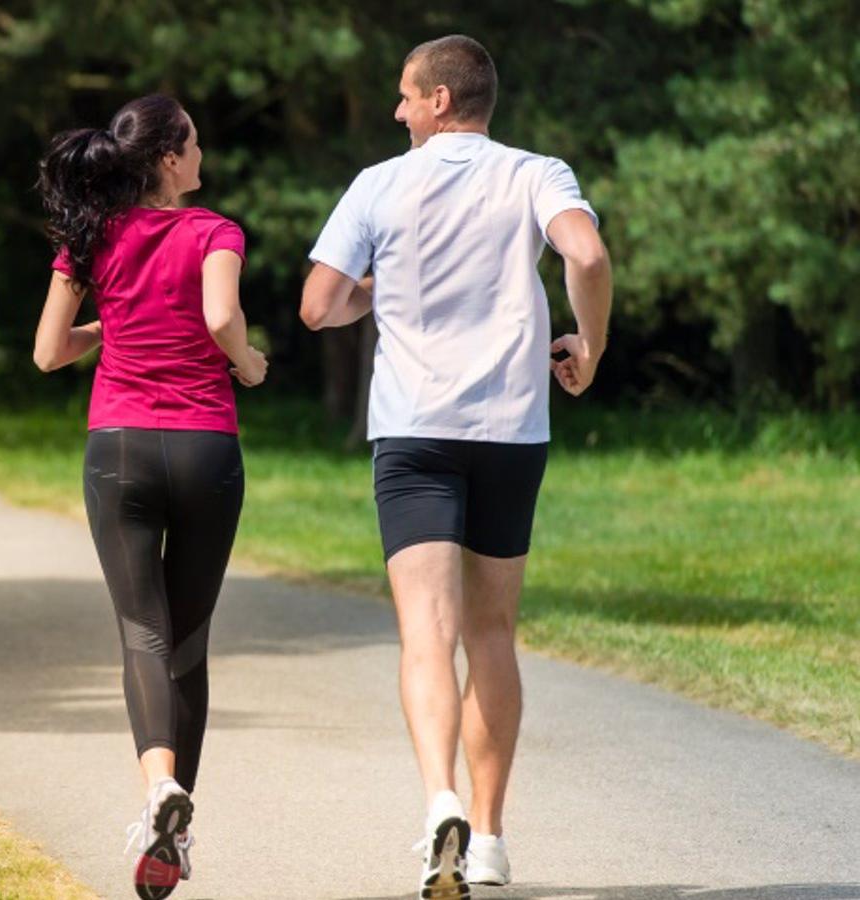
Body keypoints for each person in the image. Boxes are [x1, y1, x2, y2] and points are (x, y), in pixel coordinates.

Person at [299, 34, 612, 898]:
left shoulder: (378, 185)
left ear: (441, 100)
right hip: (512, 429)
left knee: (425, 634)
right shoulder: (535, 171)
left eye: (405, 95)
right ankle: (491, 837)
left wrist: (379, 288)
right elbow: (584, 254)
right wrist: (591, 343)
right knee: (492, 633)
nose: (397, 111)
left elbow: (319, 306)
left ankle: (439, 798)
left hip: (414, 433)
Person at [34, 93, 268, 900]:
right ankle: (174, 833)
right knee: (190, 641)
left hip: (120, 452)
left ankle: (158, 789)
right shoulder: (216, 232)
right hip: (207, 448)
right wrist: (247, 362)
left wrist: (113, 327)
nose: (202, 156)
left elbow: (45, 352)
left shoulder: (88, 239)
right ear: (169, 157)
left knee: (143, 632)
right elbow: (219, 314)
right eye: (194, 144)